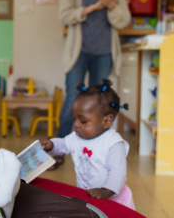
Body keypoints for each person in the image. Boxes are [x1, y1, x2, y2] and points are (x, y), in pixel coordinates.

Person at [55, 0, 131, 170]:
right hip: (79, 52)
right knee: (73, 99)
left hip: (104, 52)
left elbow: (123, 20)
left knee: (101, 103)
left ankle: (100, 148)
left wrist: (112, 5)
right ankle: (59, 148)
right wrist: (95, 6)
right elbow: (64, 15)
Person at [40, 79, 135, 209]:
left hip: (114, 199)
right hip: (91, 196)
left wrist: (106, 191)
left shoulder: (113, 143)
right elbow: (63, 144)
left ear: (106, 121)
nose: (76, 124)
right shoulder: (77, 137)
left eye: (83, 121)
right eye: (75, 119)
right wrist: (51, 145)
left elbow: (118, 172)